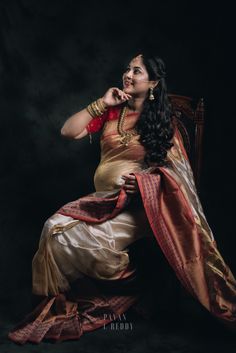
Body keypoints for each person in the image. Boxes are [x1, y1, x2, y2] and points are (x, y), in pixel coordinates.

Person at [9, 53, 236, 344]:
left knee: (79, 240)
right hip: (101, 202)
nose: (127, 74)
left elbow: (178, 176)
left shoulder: (164, 122)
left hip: (141, 207)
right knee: (52, 228)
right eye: (127, 69)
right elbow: (68, 131)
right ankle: (120, 290)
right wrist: (102, 103)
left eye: (136, 71)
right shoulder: (111, 112)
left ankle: (138, 285)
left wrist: (144, 183)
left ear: (153, 82)